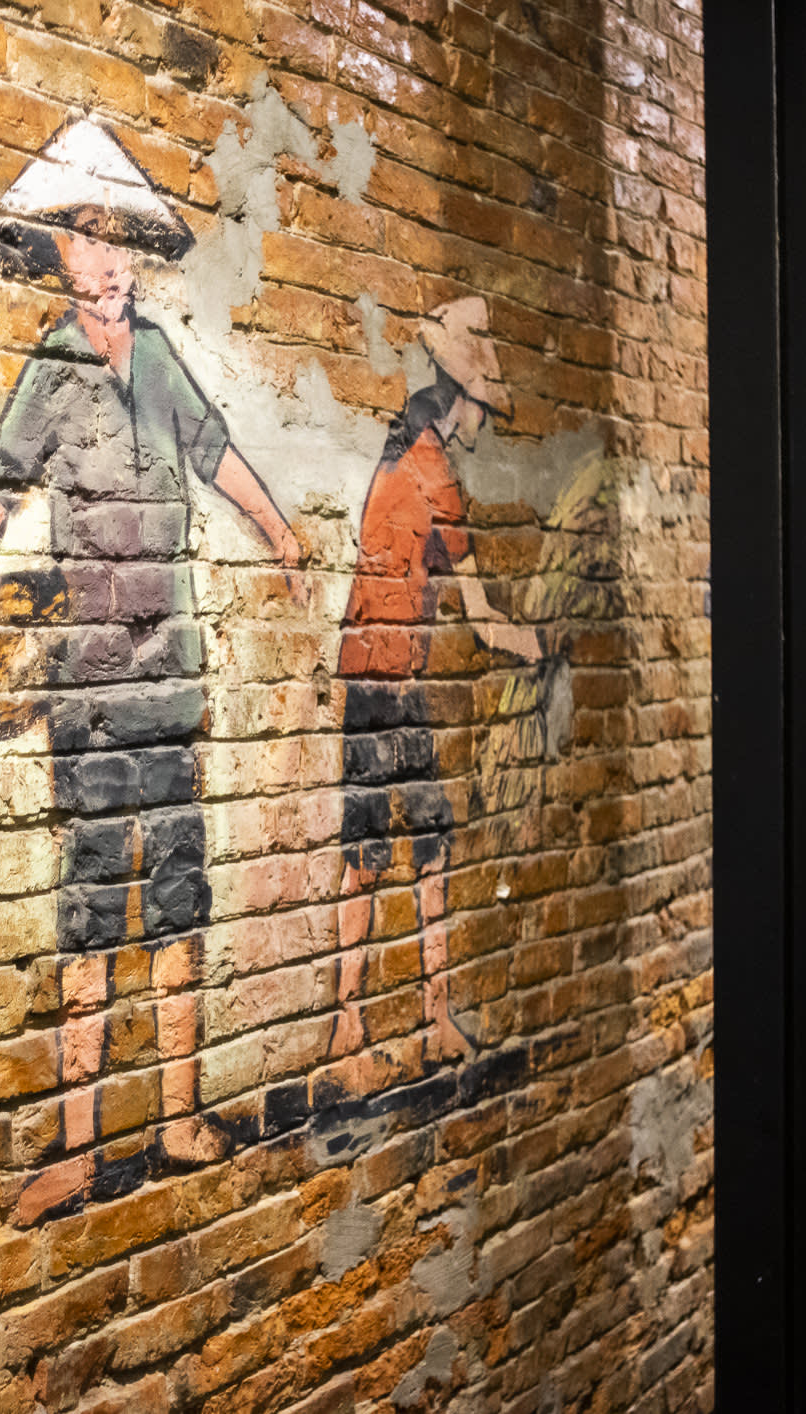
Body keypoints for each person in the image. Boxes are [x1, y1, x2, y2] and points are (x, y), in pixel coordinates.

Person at [0, 119, 299, 954]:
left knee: (179, 908)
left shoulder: (158, 356)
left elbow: (213, 451)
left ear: (133, 256)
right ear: (58, 258)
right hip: (91, 682)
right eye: (82, 238)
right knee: (93, 912)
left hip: (172, 676)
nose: (103, 259)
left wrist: (282, 536)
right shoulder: (54, 367)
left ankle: (175, 1050)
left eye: (114, 239)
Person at [334, 296, 539, 1063]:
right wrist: (536, 642)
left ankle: (368, 1027)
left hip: (370, 674)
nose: (487, 422)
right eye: (484, 407)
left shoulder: (402, 450)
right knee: (412, 847)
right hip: (387, 683)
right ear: (462, 403)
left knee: (385, 848)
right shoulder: (432, 473)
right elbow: (483, 620)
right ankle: (408, 1024)